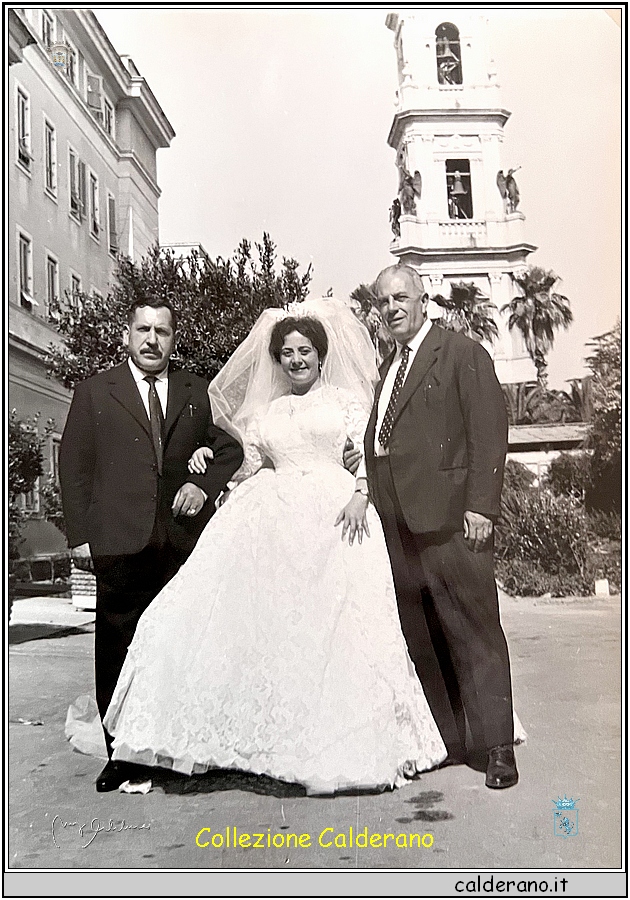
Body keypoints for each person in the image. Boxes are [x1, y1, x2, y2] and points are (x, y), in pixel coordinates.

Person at [103, 298, 447, 795]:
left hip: (336, 514)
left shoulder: (348, 403)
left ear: (321, 355)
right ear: (278, 360)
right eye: (287, 353)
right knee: (260, 624)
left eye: (305, 350)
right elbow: (245, 463)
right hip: (275, 513)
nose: (296, 360)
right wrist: (204, 452)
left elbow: (372, 454)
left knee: (337, 625)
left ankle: (341, 736)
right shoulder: (267, 414)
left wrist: (361, 492)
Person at [59, 298, 244, 792]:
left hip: (180, 544)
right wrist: (79, 538)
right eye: (143, 329)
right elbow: (73, 467)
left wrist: (202, 485)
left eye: (162, 331)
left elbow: (232, 446)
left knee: (179, 644)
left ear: (173, 339)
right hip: (119, 540)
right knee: (116, 643)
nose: (151, 340)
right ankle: (119, 753)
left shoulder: (194, 390)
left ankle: (173, 746)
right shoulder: (96, 391)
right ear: (127, 334)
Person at [347, 264, 519, 790]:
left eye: (402, 297)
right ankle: (449, 740)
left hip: (451, 522)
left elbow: (488, 434)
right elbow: (391, 440)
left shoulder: (462, 354)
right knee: (423, 634)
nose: (392, 308)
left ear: (423, 300)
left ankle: (497, 748)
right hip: (399, 526)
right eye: (383, 302)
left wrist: (481, 509)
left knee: (474, 630)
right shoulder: (388, 368)